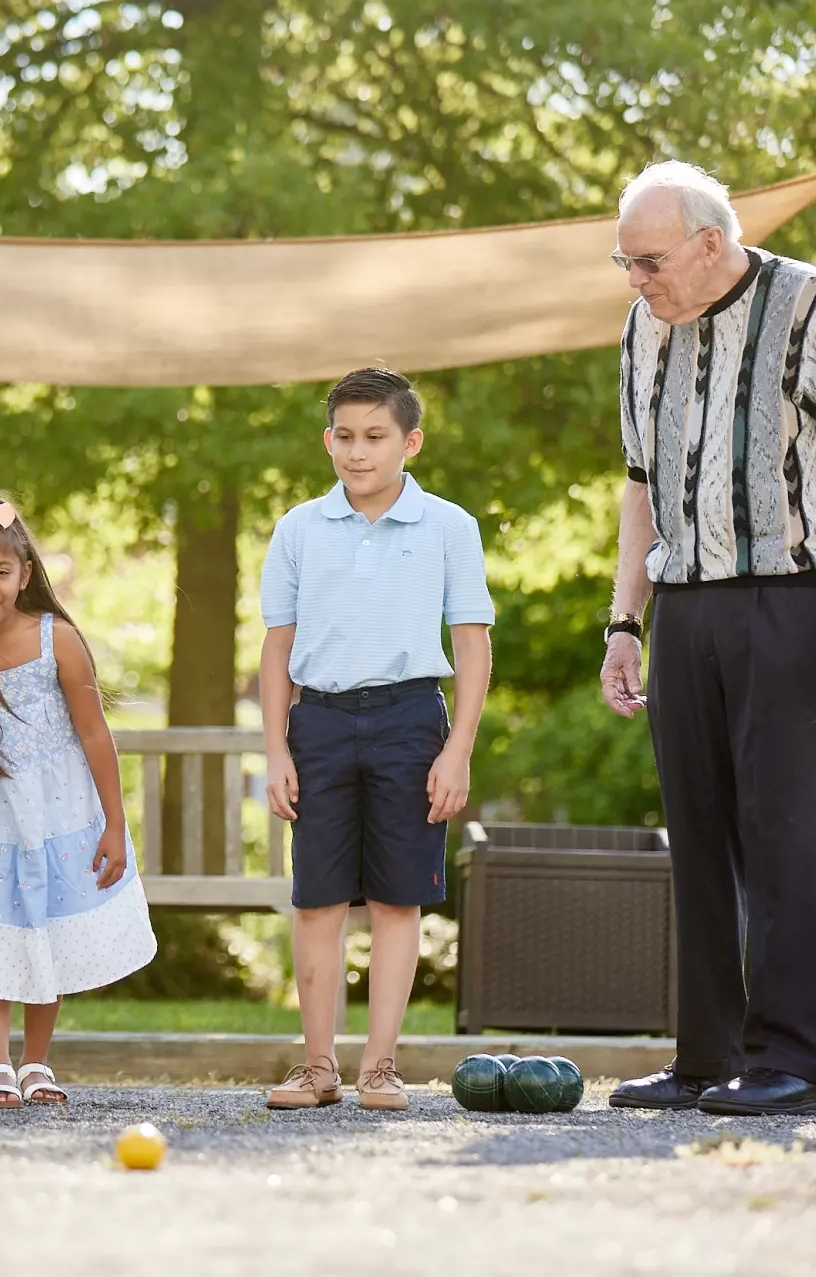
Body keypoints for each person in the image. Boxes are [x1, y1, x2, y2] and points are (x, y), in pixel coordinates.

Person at [600, 162, 816, 1117]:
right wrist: (624, 620)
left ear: (710, 243)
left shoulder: (809, 305)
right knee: (696, 836)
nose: (635, 278)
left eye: (647, 260)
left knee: (778, 834)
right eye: (624, 261)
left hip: (796, 599)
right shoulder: (643, 326)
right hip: (684, 605)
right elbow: (640, 483)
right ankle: (703, 1059)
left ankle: (792, 1063)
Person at [259, 369, 495, 1111]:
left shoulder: (450, 527)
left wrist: (457, 747)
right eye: (344, 436)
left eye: (374, 437)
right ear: (327, 439)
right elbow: (275, 649)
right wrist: (276, 748)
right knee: (318, 899)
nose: (356, 452)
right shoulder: (298, 528)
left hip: (409, 722)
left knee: (398, 899)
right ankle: (318, 1065)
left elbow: (473, 645)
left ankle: (381, 1065)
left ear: (410, 441)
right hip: (319, 722)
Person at [0, 496, 157, 1109]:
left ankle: (35, 1063)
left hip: (60, 815)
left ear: (25, 574)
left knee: (44, 931)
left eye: (0, 572)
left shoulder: (59, 641)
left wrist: (113, 822)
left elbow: (95, 734)